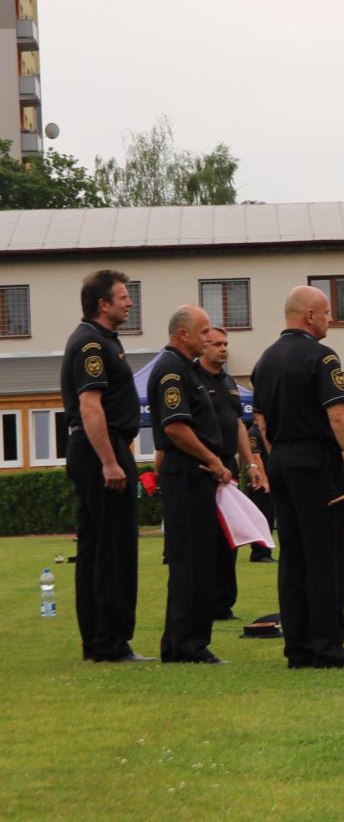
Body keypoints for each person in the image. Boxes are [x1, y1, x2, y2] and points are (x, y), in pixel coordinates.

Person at [250, 286, 344, 669]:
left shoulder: (264, 361)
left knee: (294, 557)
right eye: (326, 312)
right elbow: (339, 416)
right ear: (308, 316)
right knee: (326, 558)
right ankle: (327, 648)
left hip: (281, 459)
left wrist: (276, 459)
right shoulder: (322, 357)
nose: (330, 318)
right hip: (315, 462)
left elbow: (261, 422)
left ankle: (298, 648)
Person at [61, 270, 149, 663]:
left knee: (106, 545)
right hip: (101, 449)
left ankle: (104, 641)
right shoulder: (90, 344)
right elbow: (90, 406)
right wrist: (110, 461)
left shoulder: (104, 341)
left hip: (107, 445)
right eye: (123, 296)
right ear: (103, 304)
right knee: (109, 548)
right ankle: (107, 643)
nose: (129, 302)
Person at [149, 306, 234, 664]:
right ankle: (186, 645)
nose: (207, 339)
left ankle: (184, 642)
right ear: (182, 334)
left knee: (201, 559)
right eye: (202, 333)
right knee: (190, 561)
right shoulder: (171, 370)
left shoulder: (187, 369)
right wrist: (213, 460)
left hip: (195, 474)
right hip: (187, 474)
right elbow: (175, 428)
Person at [196, 325, 268, 620]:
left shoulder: (227, 382)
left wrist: (250, 462)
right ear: (203, 347)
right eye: (216, 344)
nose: (223, 349)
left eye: (225, 344)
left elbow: (238, 423)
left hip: (229, 469)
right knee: (206, 541)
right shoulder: (192, 379)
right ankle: (205, 601)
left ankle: (224, 604)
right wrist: (213, 462)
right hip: (204, 468)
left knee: (229, 538)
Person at [243, 420, 276, 562]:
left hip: (267, 482)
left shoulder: (266, 432)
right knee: (262, 518)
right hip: (258, 483)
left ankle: (265, 552)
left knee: (269, 518)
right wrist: (265, 481)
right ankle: (259, 553)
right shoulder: (254, 433)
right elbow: (256, 458)